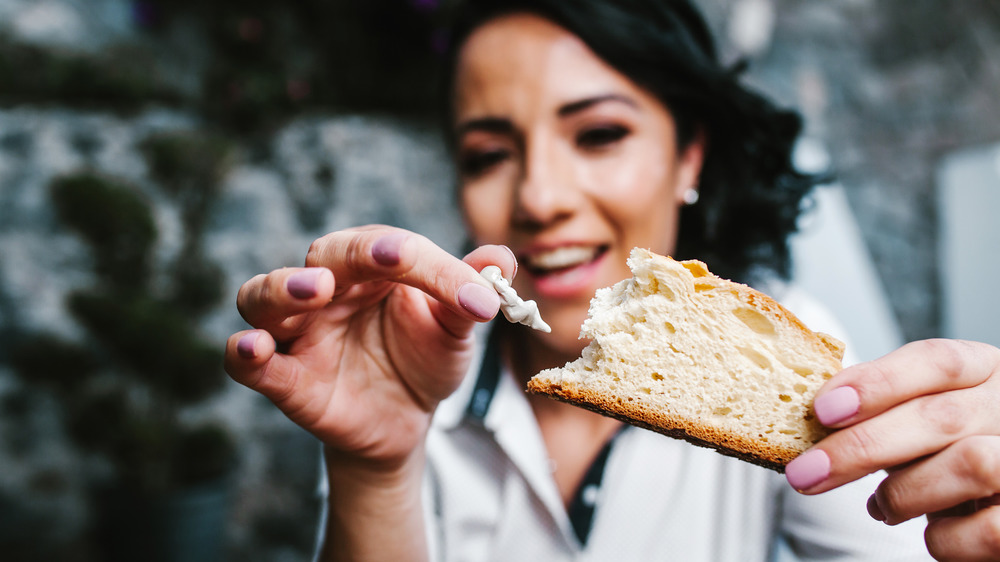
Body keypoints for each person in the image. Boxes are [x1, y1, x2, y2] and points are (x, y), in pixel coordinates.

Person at [223, 1, 1000, 560]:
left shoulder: (788, 357)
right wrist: (373, 469)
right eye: (489, 154)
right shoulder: (401, 377)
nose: (538, 198)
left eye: (598, 134)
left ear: (688, 156)